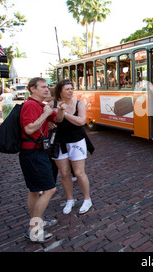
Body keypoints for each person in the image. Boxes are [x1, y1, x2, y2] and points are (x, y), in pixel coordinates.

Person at [19, 77, 65, 243]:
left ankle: (37, 221)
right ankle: (34, 229)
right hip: (33, 153)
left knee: (34, 190)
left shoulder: (40, 105)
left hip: (34, 153)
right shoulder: (31, 105)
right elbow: (29, 128)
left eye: (48, 87)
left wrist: (59, 110)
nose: (47, 90)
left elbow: (58, 119)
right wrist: (45, 115)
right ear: (32, 89)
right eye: (43, 87)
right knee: (49, 190)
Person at [53, 79, 94, 215]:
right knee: (64, 173)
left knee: (78, 172)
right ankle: (70, 200)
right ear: (60, 91)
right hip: (60, 142)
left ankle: (87, 199)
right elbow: (56, 120)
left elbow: (81, 121)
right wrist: (57, 115)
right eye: (67, 89)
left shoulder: (79, 104)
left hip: (77, 141)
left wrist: (65, 114)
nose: (71, 91)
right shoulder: (52, 104)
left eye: (71, 89)